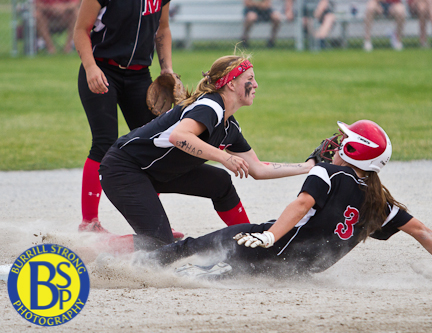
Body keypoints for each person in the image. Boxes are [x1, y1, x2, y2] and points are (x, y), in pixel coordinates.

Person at [150, 120, 432, 280]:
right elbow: (422, 231)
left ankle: (137, 269)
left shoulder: (327, 173)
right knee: (234, 271)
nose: (335, 145)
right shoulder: (379, 202)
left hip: (273, 247)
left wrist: (268, 235)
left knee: (194, 250)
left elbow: (302, 204)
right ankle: (220, 271)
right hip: (299, 268)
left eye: (343, 142)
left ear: (353, 152)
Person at [96, 55, 316, 253]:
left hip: (154, 172)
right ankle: (92, 250)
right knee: (158, 244)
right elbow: (180, 137)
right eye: (250, 78)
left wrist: (308, 167)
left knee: (220, 183)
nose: (256, 84)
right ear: (231, 84)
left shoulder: (229, 127)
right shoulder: (210, 106)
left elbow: (257, 168)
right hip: (123, 169)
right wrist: (224, 157)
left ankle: (248, 246)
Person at [73, 0, 183, 238]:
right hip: (102, 69)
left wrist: (167, 69)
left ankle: (154, 226)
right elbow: (81, 29)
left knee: (152, 146)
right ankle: (89, 222)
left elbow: (162, 28)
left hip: (139, 75)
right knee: (104, 142)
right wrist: (90, 67)